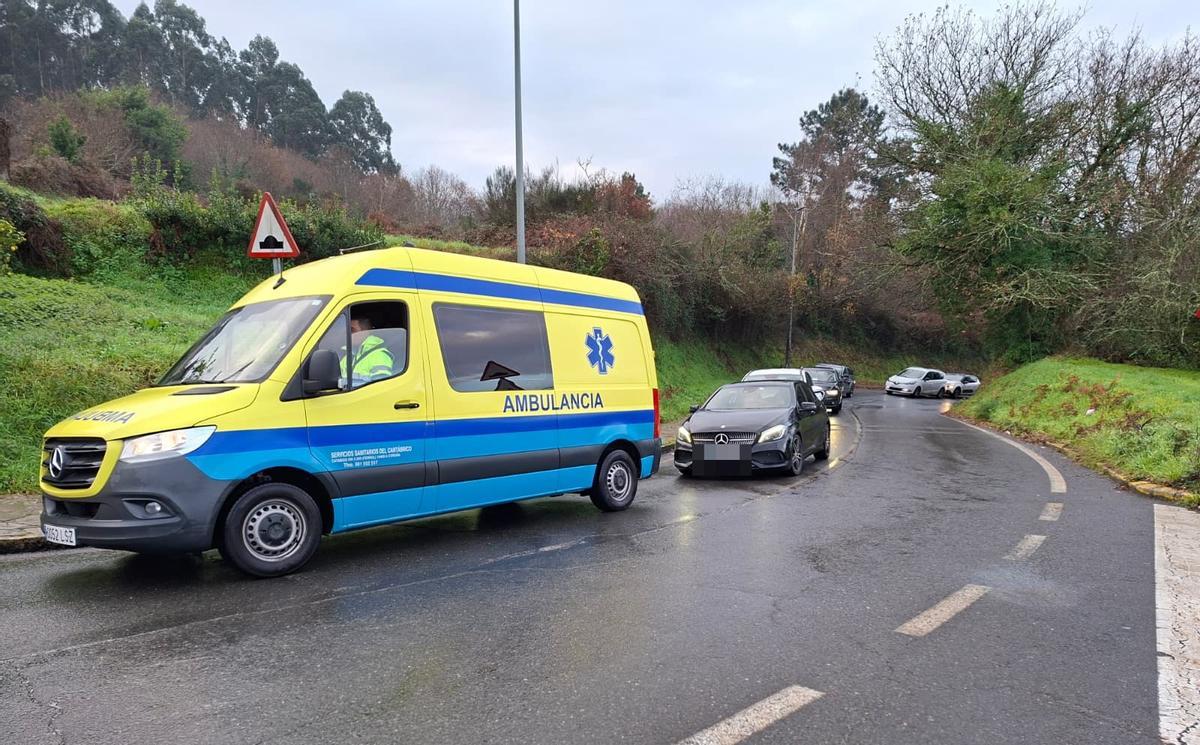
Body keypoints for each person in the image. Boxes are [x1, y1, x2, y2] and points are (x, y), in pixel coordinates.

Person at [341, 314, 395, 381]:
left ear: (365, 332)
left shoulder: (379, 356)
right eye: (347, 330)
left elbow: (380, 387)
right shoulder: (347, 357)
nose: (348, 333)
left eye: (352, 330)